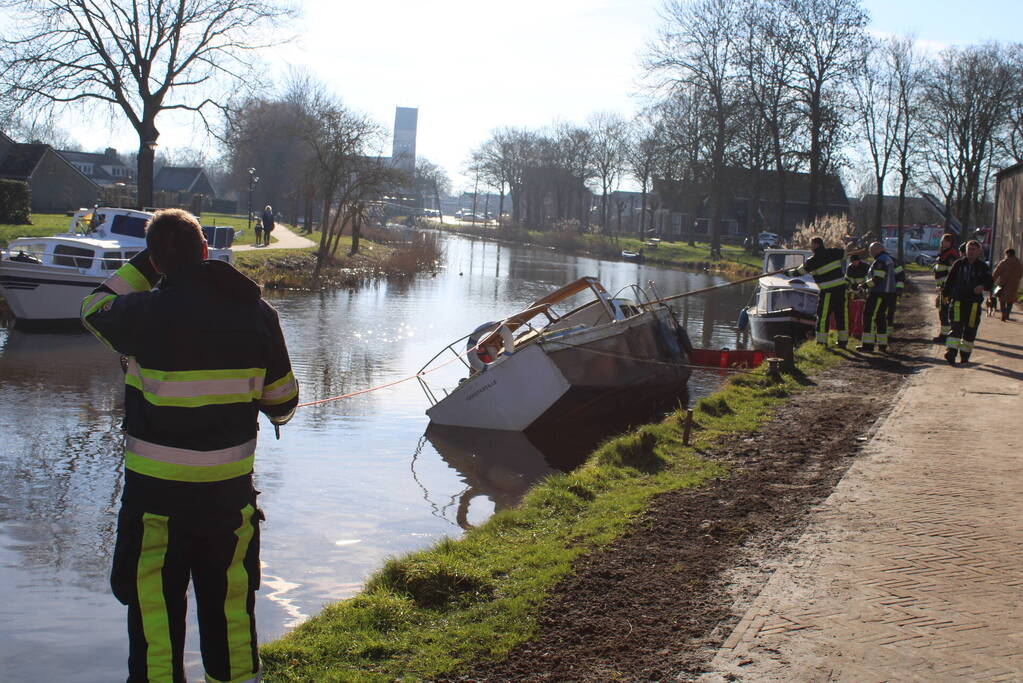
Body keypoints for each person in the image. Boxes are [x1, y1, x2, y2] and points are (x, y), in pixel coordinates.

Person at [80, 208, 299, 683]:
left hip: (155, 504)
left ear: (157, 262)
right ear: (205, 251)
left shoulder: (138, 314)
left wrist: (151, 260)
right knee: (231, 611)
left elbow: (92, 308)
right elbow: (283, 403)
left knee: (155, 620)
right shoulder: (258, 313)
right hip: (227, 502)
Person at [785, 236, 849, 348]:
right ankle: (843, 341)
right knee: (841, 316)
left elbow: (799, 272)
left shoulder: (813, 260)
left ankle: (821, 342)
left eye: (811, 245)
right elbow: (845, 254)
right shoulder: (834, 252)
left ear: (816, 245)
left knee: (823, 317)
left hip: (828, 292)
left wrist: (787, 273)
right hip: (841, 290)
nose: (810, 247)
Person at [942, 239, 994, 365]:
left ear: (978, 251)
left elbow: (990, 283)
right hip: (958, 302)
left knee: (970, 330)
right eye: (968, 249)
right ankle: (951, 352)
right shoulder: (958, 264)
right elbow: (950, 281)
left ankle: (964, 356)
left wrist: (982, 286)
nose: (970, 252)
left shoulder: (983, 267)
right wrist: (945, 295)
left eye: (973, 249)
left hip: (974, 304)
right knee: (956, 328)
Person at [859, 241, 898, 353]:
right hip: (888, 293)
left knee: (869, 316)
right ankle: (882, 344)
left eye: (871, 250)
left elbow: (878, 279)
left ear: (877, 249)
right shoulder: (888, 259)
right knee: (881, 318)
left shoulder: (880, 261)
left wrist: (864, 285)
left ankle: (868, 345)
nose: (870, 252)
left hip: (879, 293)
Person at [932, 233, 959, 342]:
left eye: (946, 241)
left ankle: (945, 336)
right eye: (943, 241)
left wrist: (944, 286)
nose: (943, 243)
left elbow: (951, 273)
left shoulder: (951, 255)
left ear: (951, 243)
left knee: (945, 312)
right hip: (942, 289)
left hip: (947, 290)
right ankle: (945, 334)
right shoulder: (943, 254)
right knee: (942, 311)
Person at [991, 247, 1022, 321]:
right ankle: (1007, 314)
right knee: (1010, 300)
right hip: (1014, 285)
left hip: (1003, 284)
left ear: (1007, 254)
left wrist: (992, 281)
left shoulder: (1004, 262)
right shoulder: (1018, 263)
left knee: (1001, 299)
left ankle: (1003, 313)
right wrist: (1016, 280)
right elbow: (1021, 274)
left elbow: (996, 272)